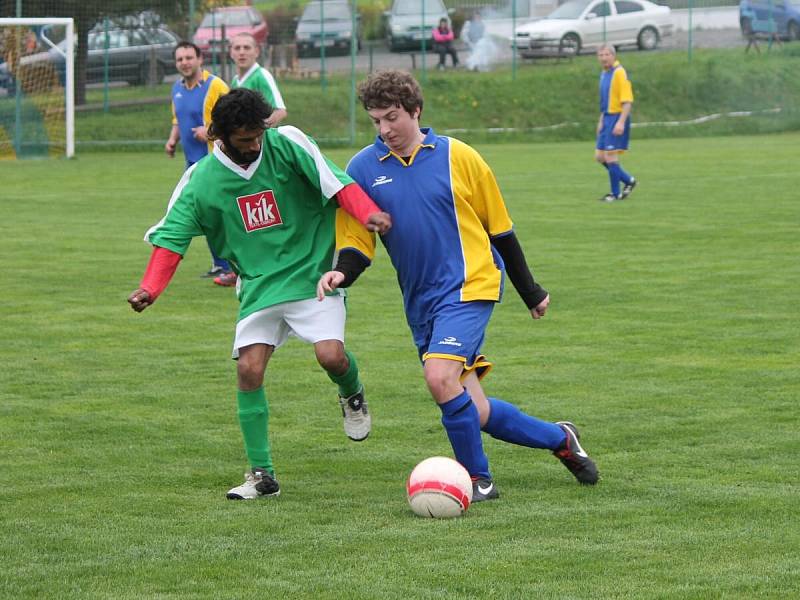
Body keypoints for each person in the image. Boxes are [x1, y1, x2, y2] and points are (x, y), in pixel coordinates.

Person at [318, 70, 599, 502]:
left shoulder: (460, 157)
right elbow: (357, 241)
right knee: (476, 408)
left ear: (416, 111)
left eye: (392, 117)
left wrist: (531, 291)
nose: (385, 129)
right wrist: (342, 272)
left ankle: (477, 479)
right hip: (421, 302)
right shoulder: (362, 170)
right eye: (376, 120)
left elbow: (501, 231)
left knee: (439, 376)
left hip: (472, 286)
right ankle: (560, 438)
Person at [129, 88, 392, 500]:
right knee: (249, 370)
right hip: (259, 286)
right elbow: (172, 238)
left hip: (310, 276)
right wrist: (150, 287)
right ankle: (261, 475)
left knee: (330, 356)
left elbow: (337, 184)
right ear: (219, 136)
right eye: (244, 139)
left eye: (258, 136)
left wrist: (368, 213)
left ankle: (351, 393)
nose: (254, 145)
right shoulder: (200, 181)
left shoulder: (288, 143)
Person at [165, 41, 235, 286]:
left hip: (216, 162)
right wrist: (172, 140)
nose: (184, 62)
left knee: (219, 214)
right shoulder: (177, 88)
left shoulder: (216, 86)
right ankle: (223, 265)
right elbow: (178, 119)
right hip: (192, 164)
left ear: (199, 59)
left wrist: (211, 132)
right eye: (180, 59)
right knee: (207, 215)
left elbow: (234, 118)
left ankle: (233, 266)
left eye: (188, 57)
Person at [595, 44, 637, 203]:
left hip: (616, 117)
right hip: (606, 118)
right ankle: (628, 180)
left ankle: (614, 193)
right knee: (600, 156)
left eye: (607, 54)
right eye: (601, 55)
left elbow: (627, 101)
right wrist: (601, 120)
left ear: (613, 56)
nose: (604, 58)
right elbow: (605, 100)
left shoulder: (619, 73)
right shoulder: (604, 73)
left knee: (610, 157)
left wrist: (620, 122)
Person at [229, 32, 288, 128]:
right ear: (231, 53)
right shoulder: (235, 81)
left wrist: (256, 134)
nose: (242, 52)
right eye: (237, 48)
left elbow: (280, 112)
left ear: (256, 52)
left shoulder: (262, 76)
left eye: (247, 48)